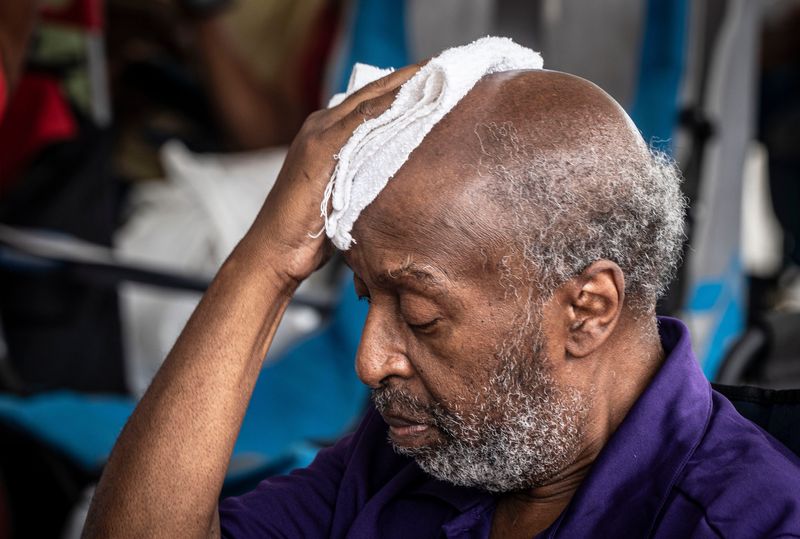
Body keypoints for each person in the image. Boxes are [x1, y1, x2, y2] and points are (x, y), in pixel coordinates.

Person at [83, 62, 800, 538]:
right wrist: (267, 259)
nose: (370, 360)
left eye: (421, 315)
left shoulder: (746, 520)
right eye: (368, 296)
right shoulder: (413, 456)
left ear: (587, 308)